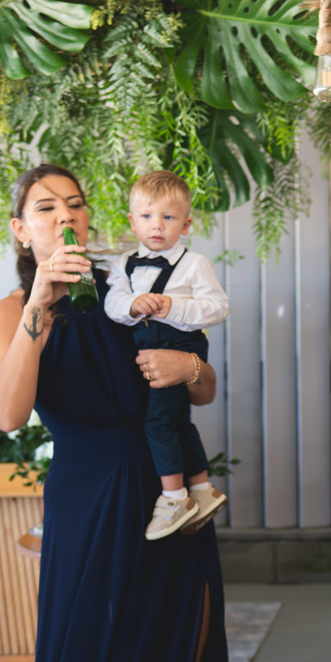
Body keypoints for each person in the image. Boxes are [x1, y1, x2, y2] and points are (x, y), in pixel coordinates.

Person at [0, 164, 229, 662]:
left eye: (75, 204)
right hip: (88, 499)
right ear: (22, 230)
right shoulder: (11, 311)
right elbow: (8, 414)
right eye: (46, 208)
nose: (65, 216)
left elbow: (204, 392)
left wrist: (188, 367)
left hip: (165, 492)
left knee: (178, 655)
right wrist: (42, 300)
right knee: (91, 655)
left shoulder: (128, 287)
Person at [105, 170, 229, 539]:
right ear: (132, 221)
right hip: (146, 348)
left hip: (181, 345)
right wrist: (132, 304)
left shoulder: (195, 264)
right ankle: (202, 488)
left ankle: (175, 497)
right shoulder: (122, 265)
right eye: (147, 216)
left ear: (186, 224)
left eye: (168, 217)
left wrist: (172, 306)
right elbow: (112, 304)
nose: (156, 226)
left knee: (158, 423)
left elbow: (218, 308)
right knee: (175, 420)